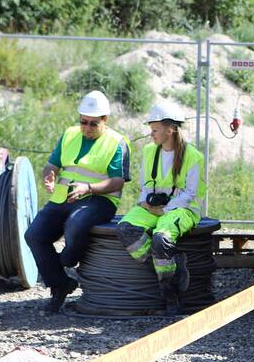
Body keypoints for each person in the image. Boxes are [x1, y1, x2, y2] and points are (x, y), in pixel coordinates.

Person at [25, 90, 130, 313]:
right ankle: (60, 284)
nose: (87, 128)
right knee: (33, 235)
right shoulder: (69, 135)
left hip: (100, 200)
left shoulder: (117, 143)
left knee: (76, 223)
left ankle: (68, 260)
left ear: (105, 120)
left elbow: (118, 182)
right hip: (63, 197)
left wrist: (89, 188)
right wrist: (49, 174)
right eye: (83, 122)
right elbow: (52, 164)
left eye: (93, 124)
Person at [115, 101, 206, 313]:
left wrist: (164, 210)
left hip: (182, 210)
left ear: (170, 129)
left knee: (161, 239)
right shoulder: (150, 151)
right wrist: (145, 203)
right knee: (124, 229)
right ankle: (168, 263)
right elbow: (145, 184)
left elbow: (189, 194)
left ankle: (171, 296)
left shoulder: (193, 157)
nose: (151, 134)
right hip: (154, 208)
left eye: (155, 130)